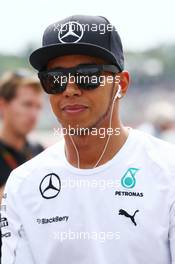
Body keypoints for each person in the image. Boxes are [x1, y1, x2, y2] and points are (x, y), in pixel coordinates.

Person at [1, 15, 175, 264]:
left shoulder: (168, 172)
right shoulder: (22, 183)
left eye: (88, 75)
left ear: (121, 84)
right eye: (55, 79)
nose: (70, 89)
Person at [0, 71, 44, 200]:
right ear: (3, 106)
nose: (34, 115)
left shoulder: (39, 151)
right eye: (27, 104)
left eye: (38, 107)